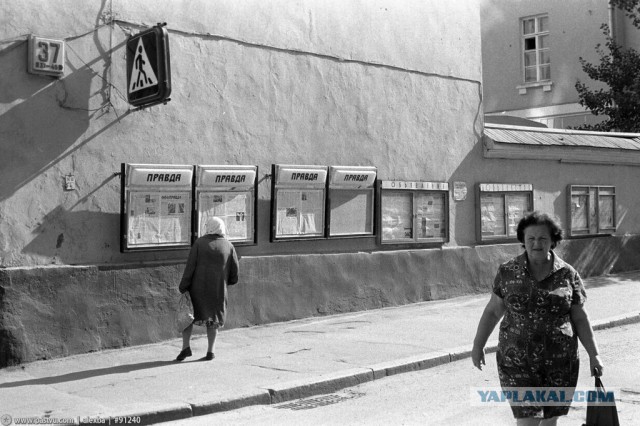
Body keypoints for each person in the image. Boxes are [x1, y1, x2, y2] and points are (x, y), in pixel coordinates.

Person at [471, 211, 603, 425]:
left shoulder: (568, 274)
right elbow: (493, 311)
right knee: (528, 421)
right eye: (530, 238)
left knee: (550, 421)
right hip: (517, 361)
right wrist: (478, 346)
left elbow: (579, 318)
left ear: (553, 241)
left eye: (543, 238)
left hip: (560, 362)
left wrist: (594, 355)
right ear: (523, 240)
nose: (536, 244)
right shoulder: (508, 271)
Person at [176, 217, 239, 361]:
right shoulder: (229, 246)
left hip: (197, 290)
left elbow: (190, 267)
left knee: (188, 317)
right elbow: (235, 275)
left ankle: (185, 347)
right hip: (218, 290)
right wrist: (224, 282)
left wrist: (183, 286)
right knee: (213, 320)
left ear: (209, 227)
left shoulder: (199, 243)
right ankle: (211, 351)